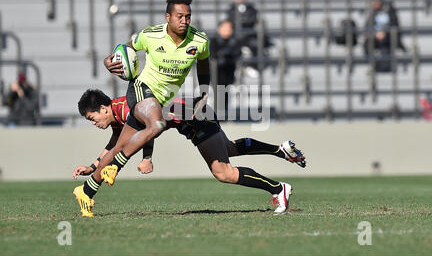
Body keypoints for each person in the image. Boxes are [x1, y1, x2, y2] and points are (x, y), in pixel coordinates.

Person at [73, 89, 307, 217]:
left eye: (92, 118)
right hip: (192, 115)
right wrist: (93, 167)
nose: (94, 123)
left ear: (103, 109)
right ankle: (280, 150)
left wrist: (147, 158)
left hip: (193, 116)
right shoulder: (118, 113)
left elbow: (148, 130)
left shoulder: (126, 108)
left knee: (223, 172)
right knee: (229, 149)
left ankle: (279, 189)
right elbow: (115, 144)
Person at [363, 0, 406, 72]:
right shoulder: (373, 12)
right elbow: (367, 25)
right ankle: (373, 64)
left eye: (375, 2)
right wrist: (371, 33)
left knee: (384, 44)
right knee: (367, 43)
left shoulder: (390, 11)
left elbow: (394, 25)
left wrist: (385, 32)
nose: (373, 4)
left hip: (388, 37)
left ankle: (384, 67)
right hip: (375, 36)